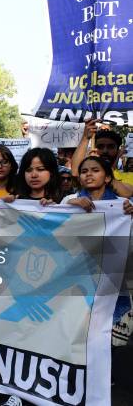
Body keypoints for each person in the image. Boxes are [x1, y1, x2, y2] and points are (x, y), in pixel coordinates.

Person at [61, 156, 133, 347]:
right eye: (84, 171)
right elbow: (57, 237)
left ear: (108, 177)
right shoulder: (69, 200)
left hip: (112, 284)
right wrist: (69, 208)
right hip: (78, 282)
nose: (89, 175)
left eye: (95, 170)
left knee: (109, 344)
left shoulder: (123, 204)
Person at [71, 119, 133, 197]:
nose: (105, 151)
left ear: (118, 151)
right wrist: (85, 137)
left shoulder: (129, 175)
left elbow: (127, 193)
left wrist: (102, 167)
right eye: (100, 147)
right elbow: (75, 172)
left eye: (110, 147)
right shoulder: (87, 174)